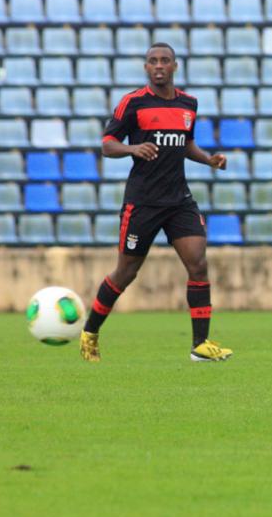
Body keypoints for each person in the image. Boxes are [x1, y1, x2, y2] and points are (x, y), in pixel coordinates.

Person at [79, 43, 233, 363]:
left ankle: (200, 345)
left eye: (164, 60)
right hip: (143, 202)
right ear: (146, 68)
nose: (159, 65)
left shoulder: (189, 104)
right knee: (126, 272)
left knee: (198, 264)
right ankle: (90, 333)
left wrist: (208, 159)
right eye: (153, 61)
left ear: (175, 66)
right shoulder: (133, 103)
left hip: (179, 200)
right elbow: (108, 144)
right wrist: (133, 149)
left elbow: (186, 144)